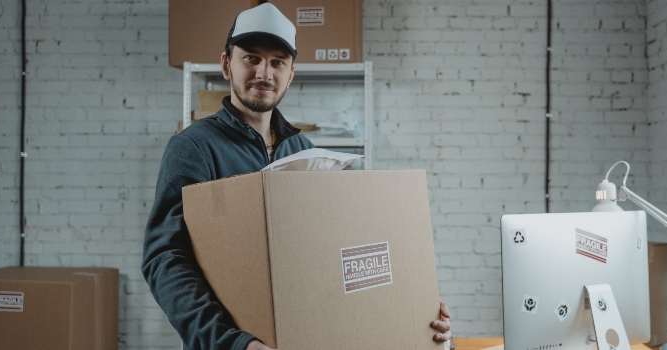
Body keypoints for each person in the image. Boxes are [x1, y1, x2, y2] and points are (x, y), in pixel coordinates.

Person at [142, 3, 451, 349]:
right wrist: (232, 343)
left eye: (277, 62)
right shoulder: (194, 148)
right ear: (226, 64)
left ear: (290, 74)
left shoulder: (305, 151)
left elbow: (337, 251)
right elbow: (164, 258)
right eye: (251, 58)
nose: (264, 73)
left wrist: (413, 308)